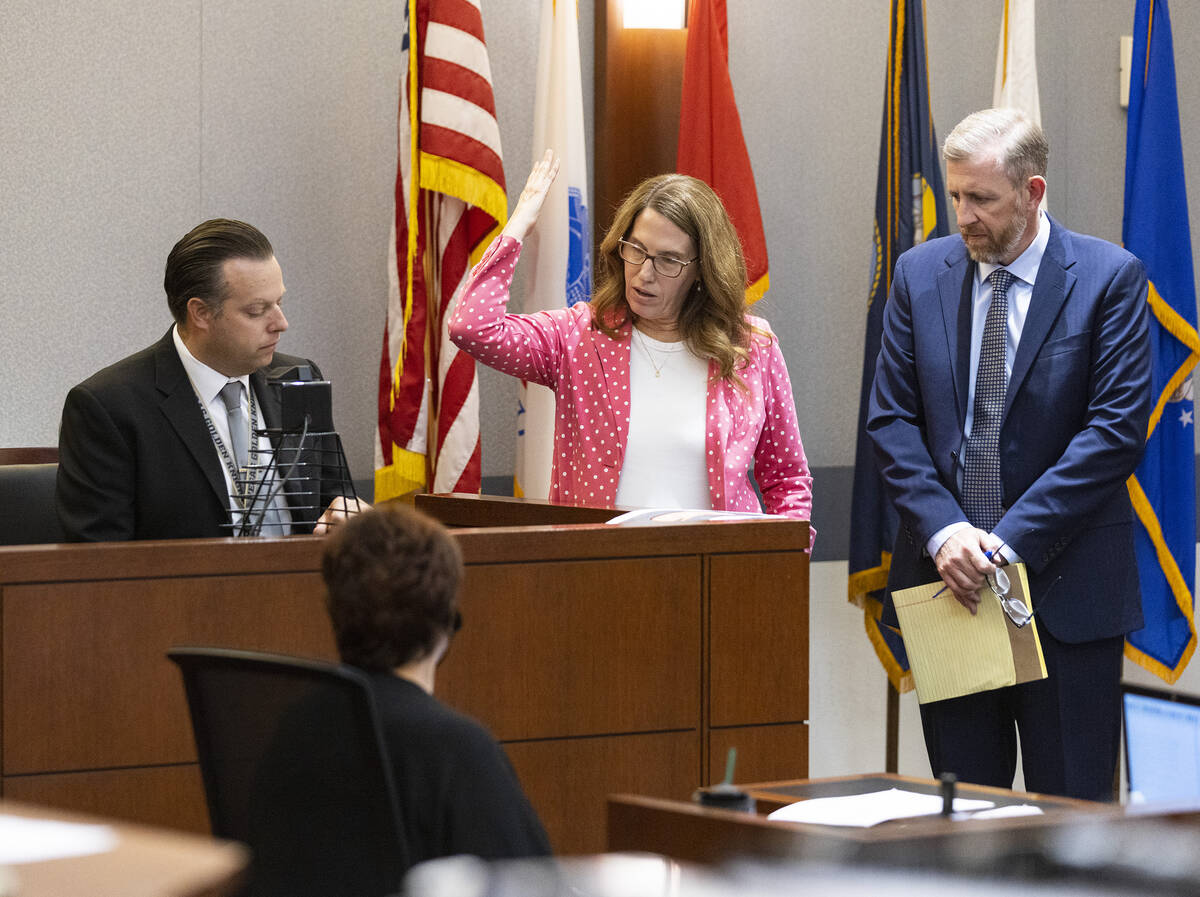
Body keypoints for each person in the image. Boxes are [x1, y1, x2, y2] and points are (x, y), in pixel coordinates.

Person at [867, 108, 1152, 801]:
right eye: (956, 194)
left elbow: (1113, 432)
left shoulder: (1108, 277)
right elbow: (892, 418)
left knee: (1071, 823)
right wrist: (946, 533)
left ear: (1032, 192)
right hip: (953, 588)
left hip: (1066, 593)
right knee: (966, 815)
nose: (962, 215)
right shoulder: (919, 273)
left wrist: (1003, 546)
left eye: (982, 200)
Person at [448, 151, 813, 536]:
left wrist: (784, 565)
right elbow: (472, 328)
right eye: (636, 250)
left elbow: (787, 478)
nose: (644, 274)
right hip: (600, 573)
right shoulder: (577, 336)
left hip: (717, 575)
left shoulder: (751, 349)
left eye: (668, 261)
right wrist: (517, 228)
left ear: (702, 270)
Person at [56, 218, 361, 540]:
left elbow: (333, 501)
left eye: (280, 303)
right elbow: (98, 559)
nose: (281, 323)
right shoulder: (109, 406)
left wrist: (352, 518)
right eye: (257, 311)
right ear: (200, 313)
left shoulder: (298, 379)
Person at [321, 504, 551, 864]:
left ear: (335, 612)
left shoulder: (293, 726)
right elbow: (531, 882)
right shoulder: (456, 749)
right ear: (446, 622)